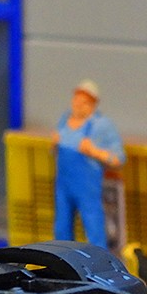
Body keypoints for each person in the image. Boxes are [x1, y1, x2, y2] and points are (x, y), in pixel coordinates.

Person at [53, 79, 125, 246]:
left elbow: (119, 159)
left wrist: (94, 151)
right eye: (76, 100)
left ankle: (99, 259)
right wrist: (54, 144)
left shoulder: (101, 126)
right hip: (63, 186)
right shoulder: (65, 120)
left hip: (87, 188)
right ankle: (62, 258)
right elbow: (57, 149)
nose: (77, 105)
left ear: (93, 105)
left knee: (93, 228)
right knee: (61, 228)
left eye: (83, 102)